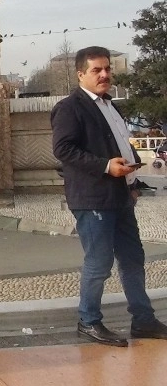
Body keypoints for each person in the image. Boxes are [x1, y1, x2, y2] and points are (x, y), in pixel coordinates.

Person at [51, 46, 167, 347]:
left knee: (132, 258)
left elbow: (121, 148)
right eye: (96, 70)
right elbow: (63, 150)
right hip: (93, 199)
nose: (104, 75)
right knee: (100, 263)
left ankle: (143, 320)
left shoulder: (110, 106)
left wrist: (131, 183)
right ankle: (88, 321)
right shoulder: (70, 107)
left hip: (120, 196)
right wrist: (105, 167)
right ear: (81, 74)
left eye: (107, 69)